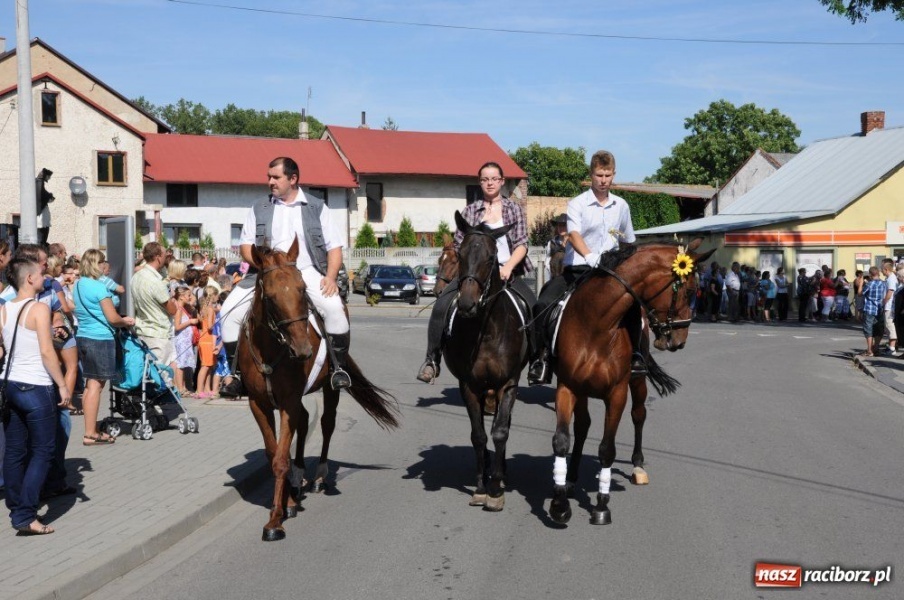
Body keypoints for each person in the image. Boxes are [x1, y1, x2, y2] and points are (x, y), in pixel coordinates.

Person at [416, 161, 536, 384]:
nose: (489, 183)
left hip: (505, 273)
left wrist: (508, 267)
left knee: (533, 305)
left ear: (501, 181)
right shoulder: (470, 211)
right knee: (442, 305)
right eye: (485, 179)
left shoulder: (513, 209)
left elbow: (521, 244)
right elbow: (459, 245)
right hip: (473, 275)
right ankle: (432, 359)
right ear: (480, 182)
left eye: (494, 179)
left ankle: (538, 362)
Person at [239, 156, 351, 389]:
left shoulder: (317, 207)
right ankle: (236, 376)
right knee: (229, 315)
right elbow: (245, 246)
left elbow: (335, 248)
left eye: (276, 177)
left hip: (307, 271)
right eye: (269, 176)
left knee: (335, 311)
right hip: (267, 272)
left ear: (293, 179)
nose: (270, 181)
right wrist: (263, 267)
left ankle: (339, 368)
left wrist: (330, 278)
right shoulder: (259, 207)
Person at [528, 150, 636, 385]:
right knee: (543, 304)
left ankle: (638, 357)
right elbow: (574, 233)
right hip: (578, 270)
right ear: (591, 174)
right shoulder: (577, 203)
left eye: (607, 175)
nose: (603, 180)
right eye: (599, 175)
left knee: (636, 307)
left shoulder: (621, 206)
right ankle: (541, 359)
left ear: (613, 175)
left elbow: (628, 240)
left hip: (610, 273)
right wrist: (589, 256)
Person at [2, 256, 72, 535]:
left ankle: (16, 505)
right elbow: (46, 352)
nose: (45, 278)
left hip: (10, 384)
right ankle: (26, 515)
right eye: (41, 274)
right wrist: (63, 385)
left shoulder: (4, 308)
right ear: (29, 278)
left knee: (15, 451)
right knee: (43, 451)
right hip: (36, 386)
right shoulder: (39, 309)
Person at [73, 249, 135, 444]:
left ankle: (89, 428)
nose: (104, 266)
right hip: (99, 339)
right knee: (95, 387)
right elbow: (112, 318)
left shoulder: (78, 284)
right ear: (95, 265)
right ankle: (91, 433)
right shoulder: (98, 287)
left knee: (89, 385)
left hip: (83, 336)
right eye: (101, 263)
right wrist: (127, 321)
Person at [131, 243, 178, 371]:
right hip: (158, 334)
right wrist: (173, 299)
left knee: (147, 376)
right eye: (164, 255)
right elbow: (172, 310)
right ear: (158, 257)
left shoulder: (136, 277)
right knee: (160, 377)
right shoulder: (155, 281)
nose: (166, 258)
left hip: (142, 330)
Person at [172, 286, 199, 396]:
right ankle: (180, 388)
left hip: (186, 340)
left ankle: (183, 386)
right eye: (188, 295)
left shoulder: (184, 308)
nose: (190, 297)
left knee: (184, 363)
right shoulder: (178, 309)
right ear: (182, 297)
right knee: (180, 364)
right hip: (181, 339)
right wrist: (190, 322)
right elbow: (177, 326)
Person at [860, 267, 887, 356]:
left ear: (870, 274)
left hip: (869, 309)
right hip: (880, 309)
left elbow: (860, 293)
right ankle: (876, 348)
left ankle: (869, 350)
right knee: (879, 329)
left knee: (868, 329)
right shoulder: (884, 283)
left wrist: (861, 283)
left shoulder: (869, 284)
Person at [544, 213, 569, 281]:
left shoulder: (573, 243)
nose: (561, 228)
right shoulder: (551, 242)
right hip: (554, 276)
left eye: (563, 225)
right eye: (559, 226)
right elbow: (547, 262)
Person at [881, 258, 898, 355]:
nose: (881, 271)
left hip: (889, 306)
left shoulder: (891, 278)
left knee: (890, 325)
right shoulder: (888, 278)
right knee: (887, 326)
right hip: (887, 306)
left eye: (882, 269)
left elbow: (890, 292)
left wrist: (884, 301)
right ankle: (891, 346)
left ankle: (892, 348)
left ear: (886, 270)